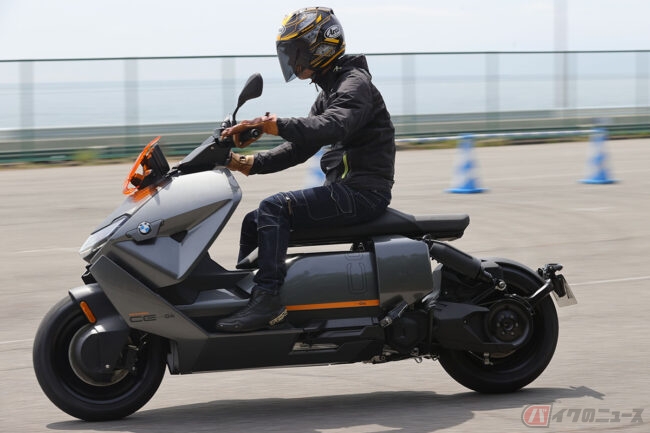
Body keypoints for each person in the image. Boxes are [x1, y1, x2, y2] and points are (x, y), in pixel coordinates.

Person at [215, 6, 396, 332]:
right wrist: (244, 163)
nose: (291, 59)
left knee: (274, 207)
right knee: (254, 221)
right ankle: (248, 295)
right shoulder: (330, 91)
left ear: (320, 46)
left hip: (363, 193)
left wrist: (274, 125)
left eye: (296, 51)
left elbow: (333, 126)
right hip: (345, 191)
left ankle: (268, 299)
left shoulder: (354, 84)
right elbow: (300, 148)